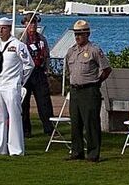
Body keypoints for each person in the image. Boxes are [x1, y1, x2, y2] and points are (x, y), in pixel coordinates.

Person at [64, 19, 111, 163]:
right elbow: (67, 70)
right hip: (75, 91)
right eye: (76, 34)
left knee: (91, 123)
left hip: (90, 90)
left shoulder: (94, 50)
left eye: (80, 34)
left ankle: (93, 153)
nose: (77, 37)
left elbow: (106, 69)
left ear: (87, 34)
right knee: (76, 123)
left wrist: (97, 82)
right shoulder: (71, 51)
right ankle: (77, 151)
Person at [0, 15, 31, 156]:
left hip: (12, 85)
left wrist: (20, 80)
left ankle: (16, 149)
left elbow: (28, 64)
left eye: (3, 28)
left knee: (14, 117)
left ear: (9, 29)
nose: (0, 31)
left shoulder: (18, 45)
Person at [21, 12, 56, 137]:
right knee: (24, 103)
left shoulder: (41, 39)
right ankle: (25, 130)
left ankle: (49, 128)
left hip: (39, 72)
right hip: (25, 73)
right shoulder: (20, 39)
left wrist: (47, 70)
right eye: (30, 22)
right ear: (25, 24)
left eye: (35, 22)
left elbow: (46, 55)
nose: (33, 25)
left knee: (44, 101)